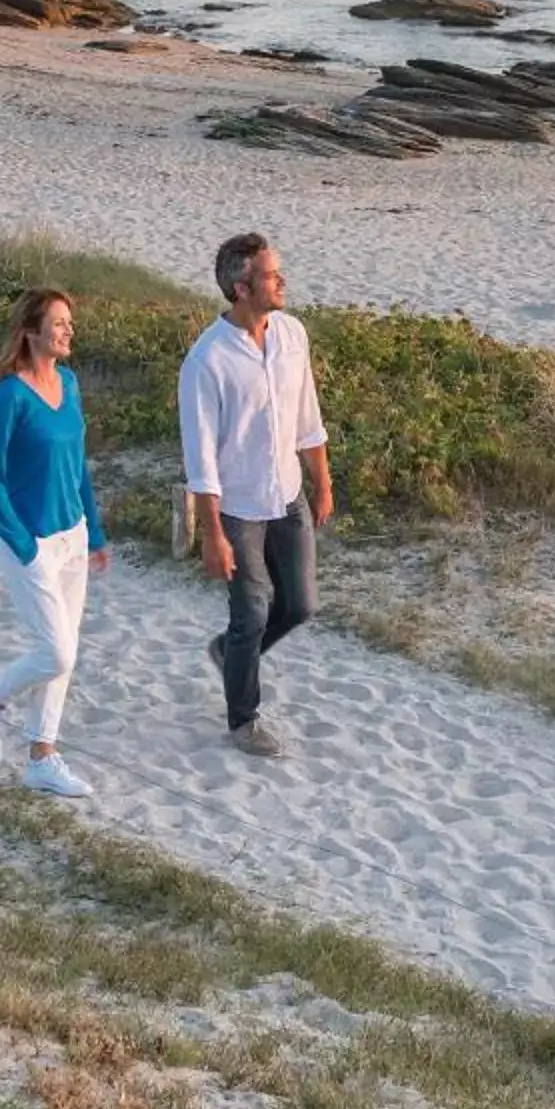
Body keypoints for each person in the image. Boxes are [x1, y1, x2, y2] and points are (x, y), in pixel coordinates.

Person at [178, 233, 331, 758]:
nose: (281, 281)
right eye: (271, 275)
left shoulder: (293, 334)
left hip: (288, 496)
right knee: (252, 614)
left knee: (302, 605)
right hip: (239, 508)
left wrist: (323, 482)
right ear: (242, 288)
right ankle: (244, 720)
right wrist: (212, 535)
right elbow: (201, 460)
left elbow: (307, 415)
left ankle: (230, 655)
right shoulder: (207, 361)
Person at [0, 288, 109, 798]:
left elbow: (77, 465)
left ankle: (42, 756)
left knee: (63, 653)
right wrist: (22, 543)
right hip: (31, 542)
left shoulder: (68, 383)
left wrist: (94, 530)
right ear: (32, 331)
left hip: (72, 535)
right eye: (59, 323)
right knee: (57, 651)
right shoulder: (10, 394)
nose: (69, 330)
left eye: (70, 322)